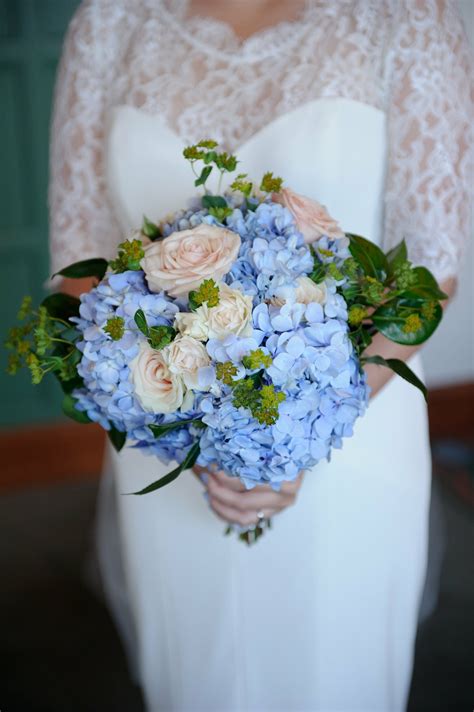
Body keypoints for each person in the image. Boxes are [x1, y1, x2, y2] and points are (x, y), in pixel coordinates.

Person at [50, 1, 472, 709]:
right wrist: (186, 425)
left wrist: (293, 431)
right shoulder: (110, 22)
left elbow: (431, 271)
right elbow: (77, 262)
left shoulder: (408, 16)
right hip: (166, 441)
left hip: (348, 431)